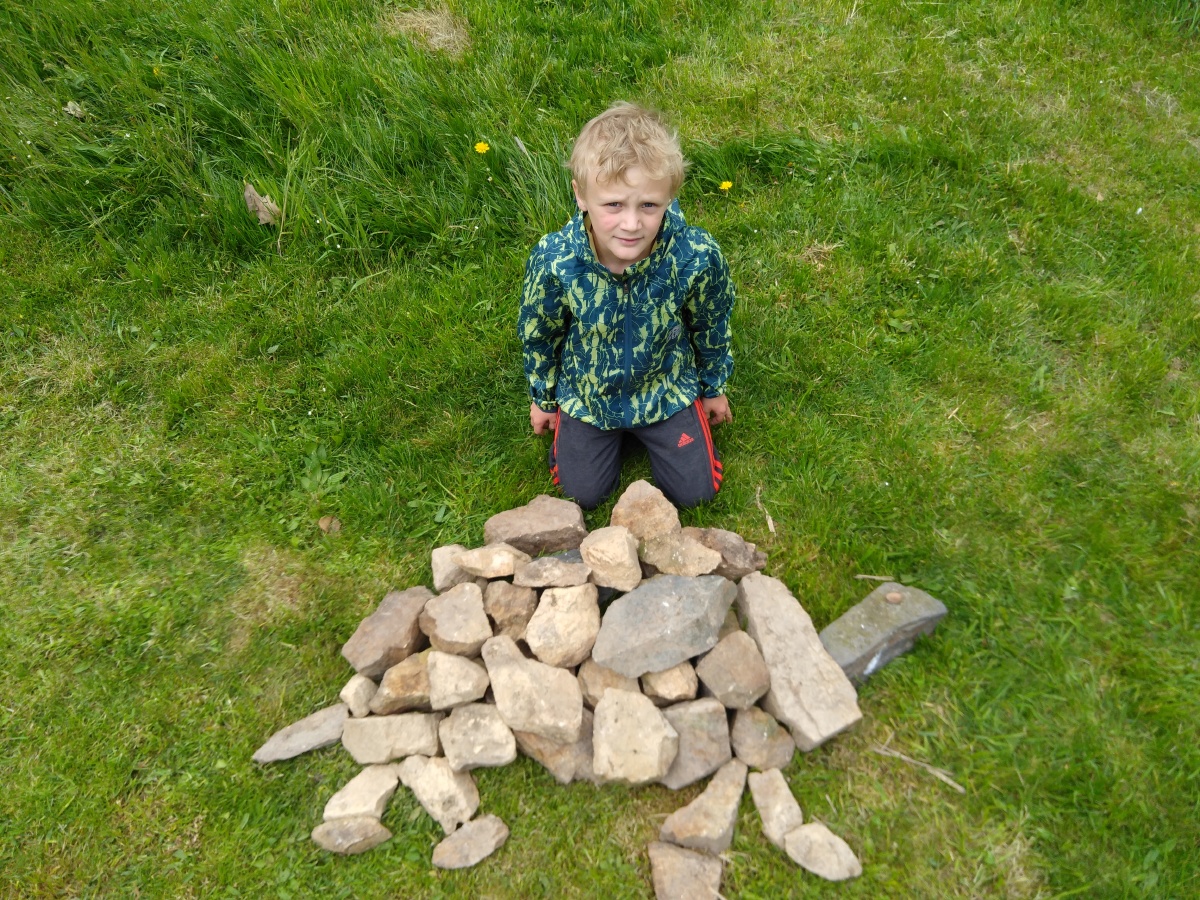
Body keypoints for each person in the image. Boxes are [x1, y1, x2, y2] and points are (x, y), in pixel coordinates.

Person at [519, 102, 736, 510]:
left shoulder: (694, 256)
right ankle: (588, 442)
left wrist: (713, 388)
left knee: (697, 493)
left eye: (648, 205)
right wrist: (543, 398)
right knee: (582, 495)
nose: (632, 224)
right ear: (581, 195)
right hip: (589, 396)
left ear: (669, 198)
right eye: (614, 205)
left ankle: (671, 433)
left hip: (665, 390)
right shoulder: (556, 260)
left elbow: (712, 323)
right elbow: (539, 333)